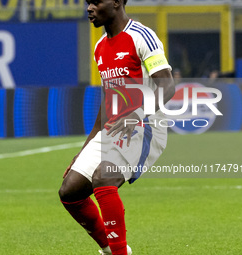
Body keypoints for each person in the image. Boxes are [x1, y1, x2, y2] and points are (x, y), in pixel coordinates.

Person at [58, 0, 175, 254]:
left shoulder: (142, 36)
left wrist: (136, 113)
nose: (89, 8)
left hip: (145, 125)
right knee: (70, 191)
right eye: (87, 2)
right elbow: (108, 99)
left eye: (96, 2)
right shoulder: (100, 48)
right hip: (113, 125)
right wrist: (85, 147)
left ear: (117, 2)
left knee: (103, 178)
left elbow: (167, 87)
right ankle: (109, 249)